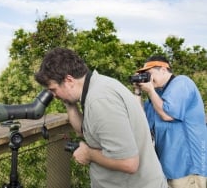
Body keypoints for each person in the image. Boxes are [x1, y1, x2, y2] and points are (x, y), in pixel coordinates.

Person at [34, 47, 168, 188]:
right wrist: (68, 102)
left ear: (69, 80)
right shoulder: (97, 86)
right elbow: (83, 130)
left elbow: (129, 163)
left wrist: (89, 154)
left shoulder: (100, 100)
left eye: (54, 90)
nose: (54, 96)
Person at [134, 55, 207, 188]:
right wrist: (138, 92)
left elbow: (167, 114)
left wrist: (150, 90)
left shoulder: (182, 82)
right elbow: (141, 123)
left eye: (149, 74)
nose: (147, 79)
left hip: (188, 169)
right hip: (167, 169)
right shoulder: (156, 96)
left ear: (163, 69)